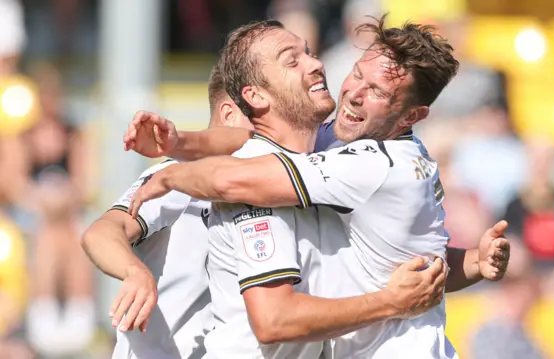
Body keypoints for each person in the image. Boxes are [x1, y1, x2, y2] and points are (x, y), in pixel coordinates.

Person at [126, 16, 510, 359]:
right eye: (357, 74)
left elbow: (236, 178)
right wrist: (179, 144)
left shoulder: (375, 165)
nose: (354, 93)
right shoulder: (349, 142)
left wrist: (169, 175)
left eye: (377, 92)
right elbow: (246, 141)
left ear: (412, 116)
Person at [81, 65, 254, 359]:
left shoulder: (277, 185)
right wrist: (135, 272)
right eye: (267, 119)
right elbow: (102, 233)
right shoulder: (176, 177)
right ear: (229, 114)